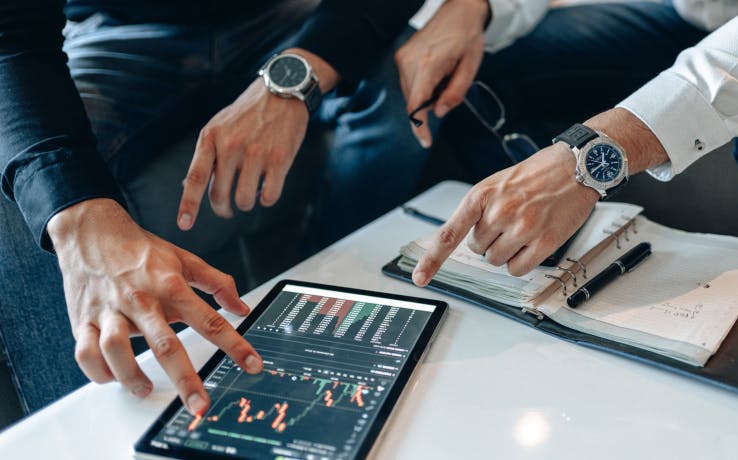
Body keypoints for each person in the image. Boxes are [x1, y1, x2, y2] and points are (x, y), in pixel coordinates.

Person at [0, 0, 428, 415]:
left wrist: (293, 78)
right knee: (21, 203)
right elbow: (12, 37)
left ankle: (353, 308)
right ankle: (83, 437)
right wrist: (79, 217)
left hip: (281, 19)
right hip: (121, 31)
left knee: (409, 87)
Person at [385, 0, 738, 299]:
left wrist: (585, 159)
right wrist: (474, 7)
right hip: (704, 11)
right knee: (484, 66)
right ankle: (540, 253)